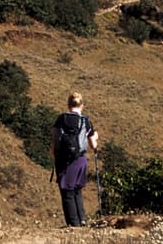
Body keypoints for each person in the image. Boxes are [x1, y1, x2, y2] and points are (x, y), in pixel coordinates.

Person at [51, 92, 101, 227]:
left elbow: (54, 140)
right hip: (80, 160)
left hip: (64, 160)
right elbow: (93, 145)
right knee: (77, 190)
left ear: (68, 105)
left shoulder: (61, 119)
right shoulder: (86, 121)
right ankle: (82, 220)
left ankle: (73, 223)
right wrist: (95, 136)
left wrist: (55, 155)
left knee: (67, 191)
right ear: (82, 105)